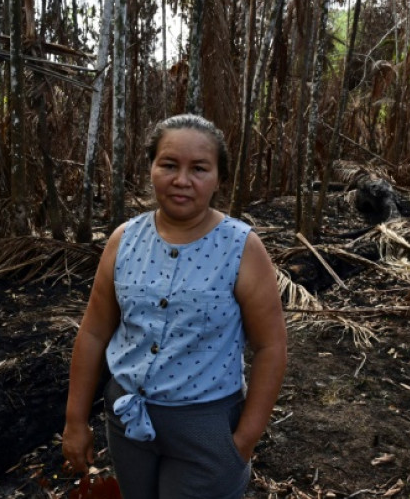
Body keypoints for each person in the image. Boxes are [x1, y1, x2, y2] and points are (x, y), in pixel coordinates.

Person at [63, 114, 287, 499]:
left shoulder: (241, 247)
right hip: (127, 419)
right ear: (151, 167)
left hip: (206, 428)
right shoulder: (124, 240)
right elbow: (94, 331)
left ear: (218, 177)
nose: (182, 180)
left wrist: (244, 440)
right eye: (169, 164)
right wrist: (74, 420)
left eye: (199, 168)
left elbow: (271, 347)